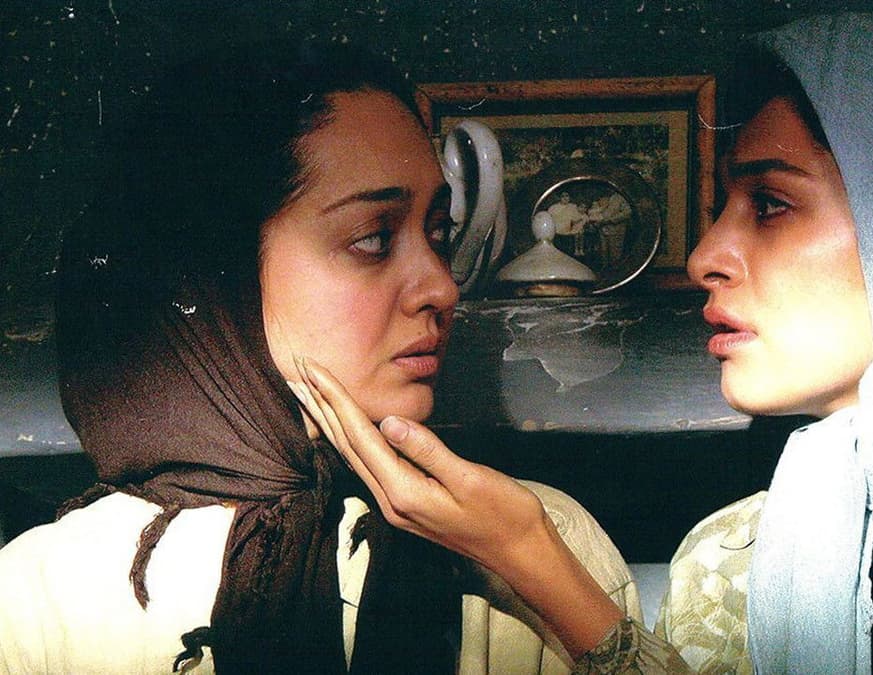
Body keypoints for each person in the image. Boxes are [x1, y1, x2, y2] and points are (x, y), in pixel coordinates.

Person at [288, 11, 873, 674]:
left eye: (769, 204)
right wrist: (528, 549)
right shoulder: (730, 559)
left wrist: (538, 556)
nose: (705, 256)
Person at [0, 41, 636, 673]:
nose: (442, 288)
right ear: (218, 272)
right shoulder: (40, 599)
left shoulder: (540, 540)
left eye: (437, 233)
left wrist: (535, 562)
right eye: (374, 239)